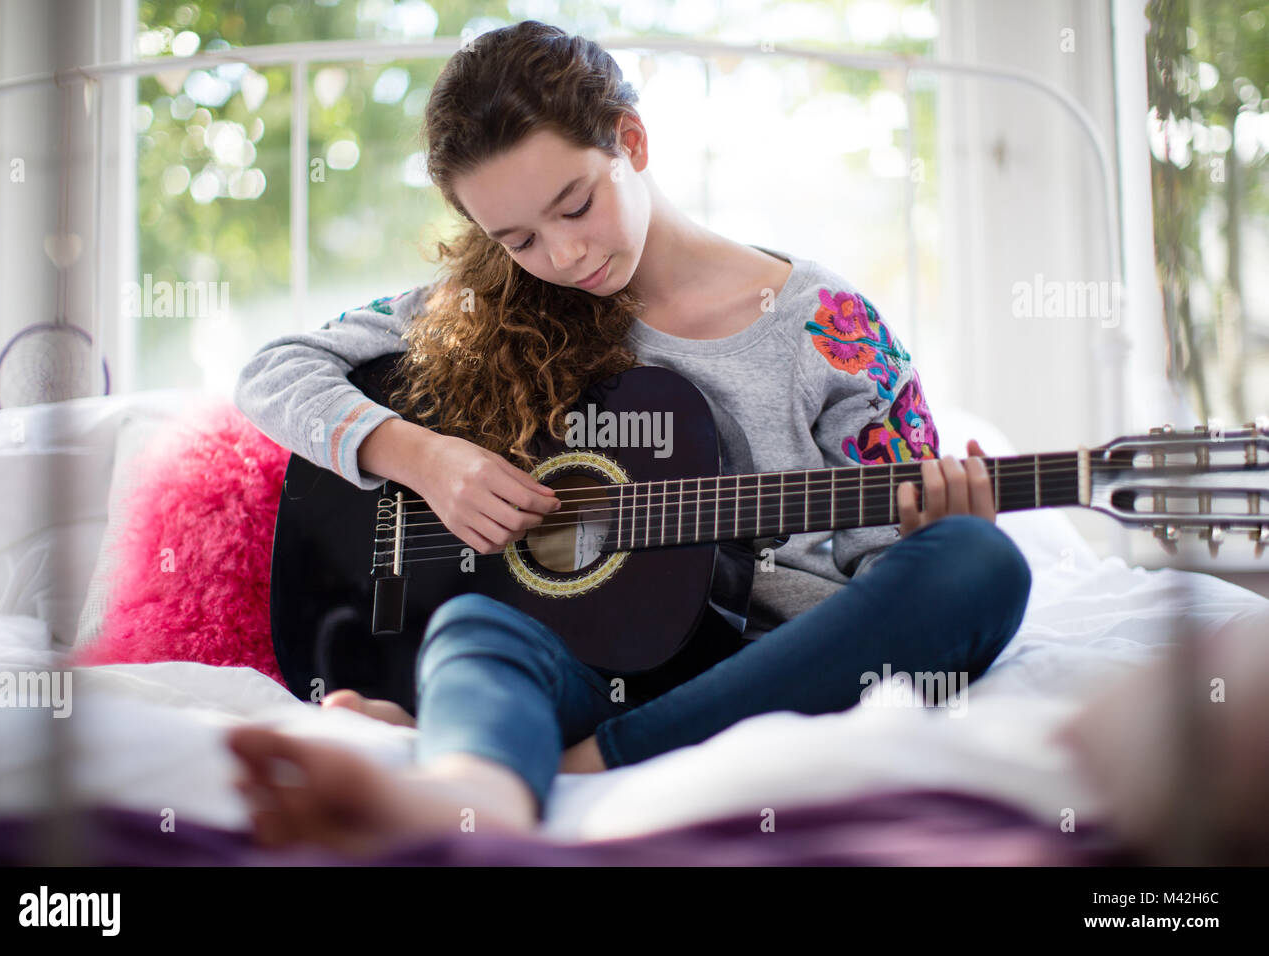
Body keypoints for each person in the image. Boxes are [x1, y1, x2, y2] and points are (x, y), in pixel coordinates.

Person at [227, 20, 1032, 855]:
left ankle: (579, 765)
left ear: (631, 141)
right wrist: (422, 455)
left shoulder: (829, 327)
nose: (565, 254)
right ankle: (471, 792)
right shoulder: (498, 304)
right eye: (519, 239)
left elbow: (885, 571)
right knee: (476, 627)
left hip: (767, 666)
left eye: (575, 204)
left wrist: (925, 534)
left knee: (981, 565)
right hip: (580, 660)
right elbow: (273, 369)